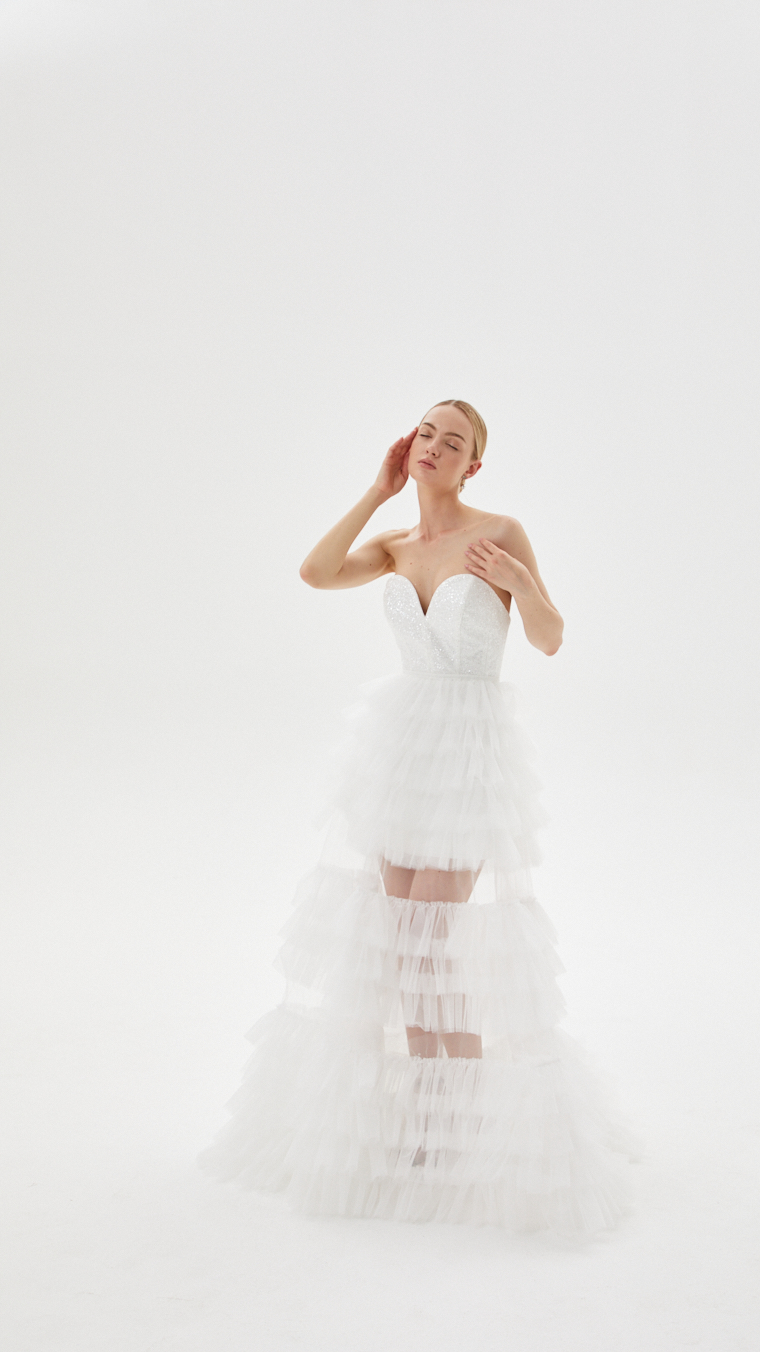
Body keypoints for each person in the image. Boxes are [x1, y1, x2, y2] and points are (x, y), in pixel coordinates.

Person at [200, 400, 632, 1233]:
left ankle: (463, 1121)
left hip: (468, 750)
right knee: (401, 947)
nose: (434, 446)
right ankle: (429, 1119)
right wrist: (376, 491)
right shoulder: (394, 544)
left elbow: (548, 638)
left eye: (453, 441)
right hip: (401, 750)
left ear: (474, 465)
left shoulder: (499, 532)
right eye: (425, 433)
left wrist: (522, 585)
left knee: (435, 941)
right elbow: (315, 572)